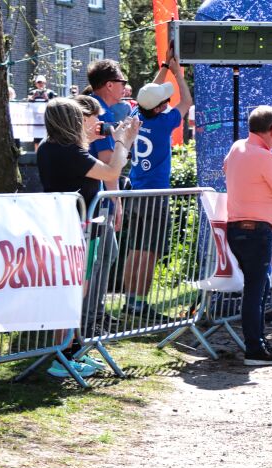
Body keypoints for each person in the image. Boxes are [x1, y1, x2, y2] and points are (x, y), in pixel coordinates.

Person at [37, 96, 142, 378]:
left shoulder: (50, 147)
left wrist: (121, 140)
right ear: (72, 121)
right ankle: (65, 356)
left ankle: (68, 351)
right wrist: (122, 141)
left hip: (71, 228)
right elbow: (111, 171)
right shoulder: (68, 151)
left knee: (75, 292)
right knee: (75, 292)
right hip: (77, 230)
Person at [122, 49, 193, 321]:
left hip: (135, 191)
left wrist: (164, 66)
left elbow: (148, 96)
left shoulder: (134, 115)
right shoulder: (164, 123)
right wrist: (177, 74)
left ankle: (130, 299)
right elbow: (186, 100)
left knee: (134, 248)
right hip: (156, 196)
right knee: (149, 251)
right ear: (161, 107)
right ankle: (140, 302)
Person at [223, 105, 272, 366]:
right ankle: (254, 348)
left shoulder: (237, 147)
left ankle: (258, 343)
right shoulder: (265, 157)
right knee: (256, 289)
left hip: (236, 227)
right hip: (256, 230)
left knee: (257, 286)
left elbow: (225, 169)